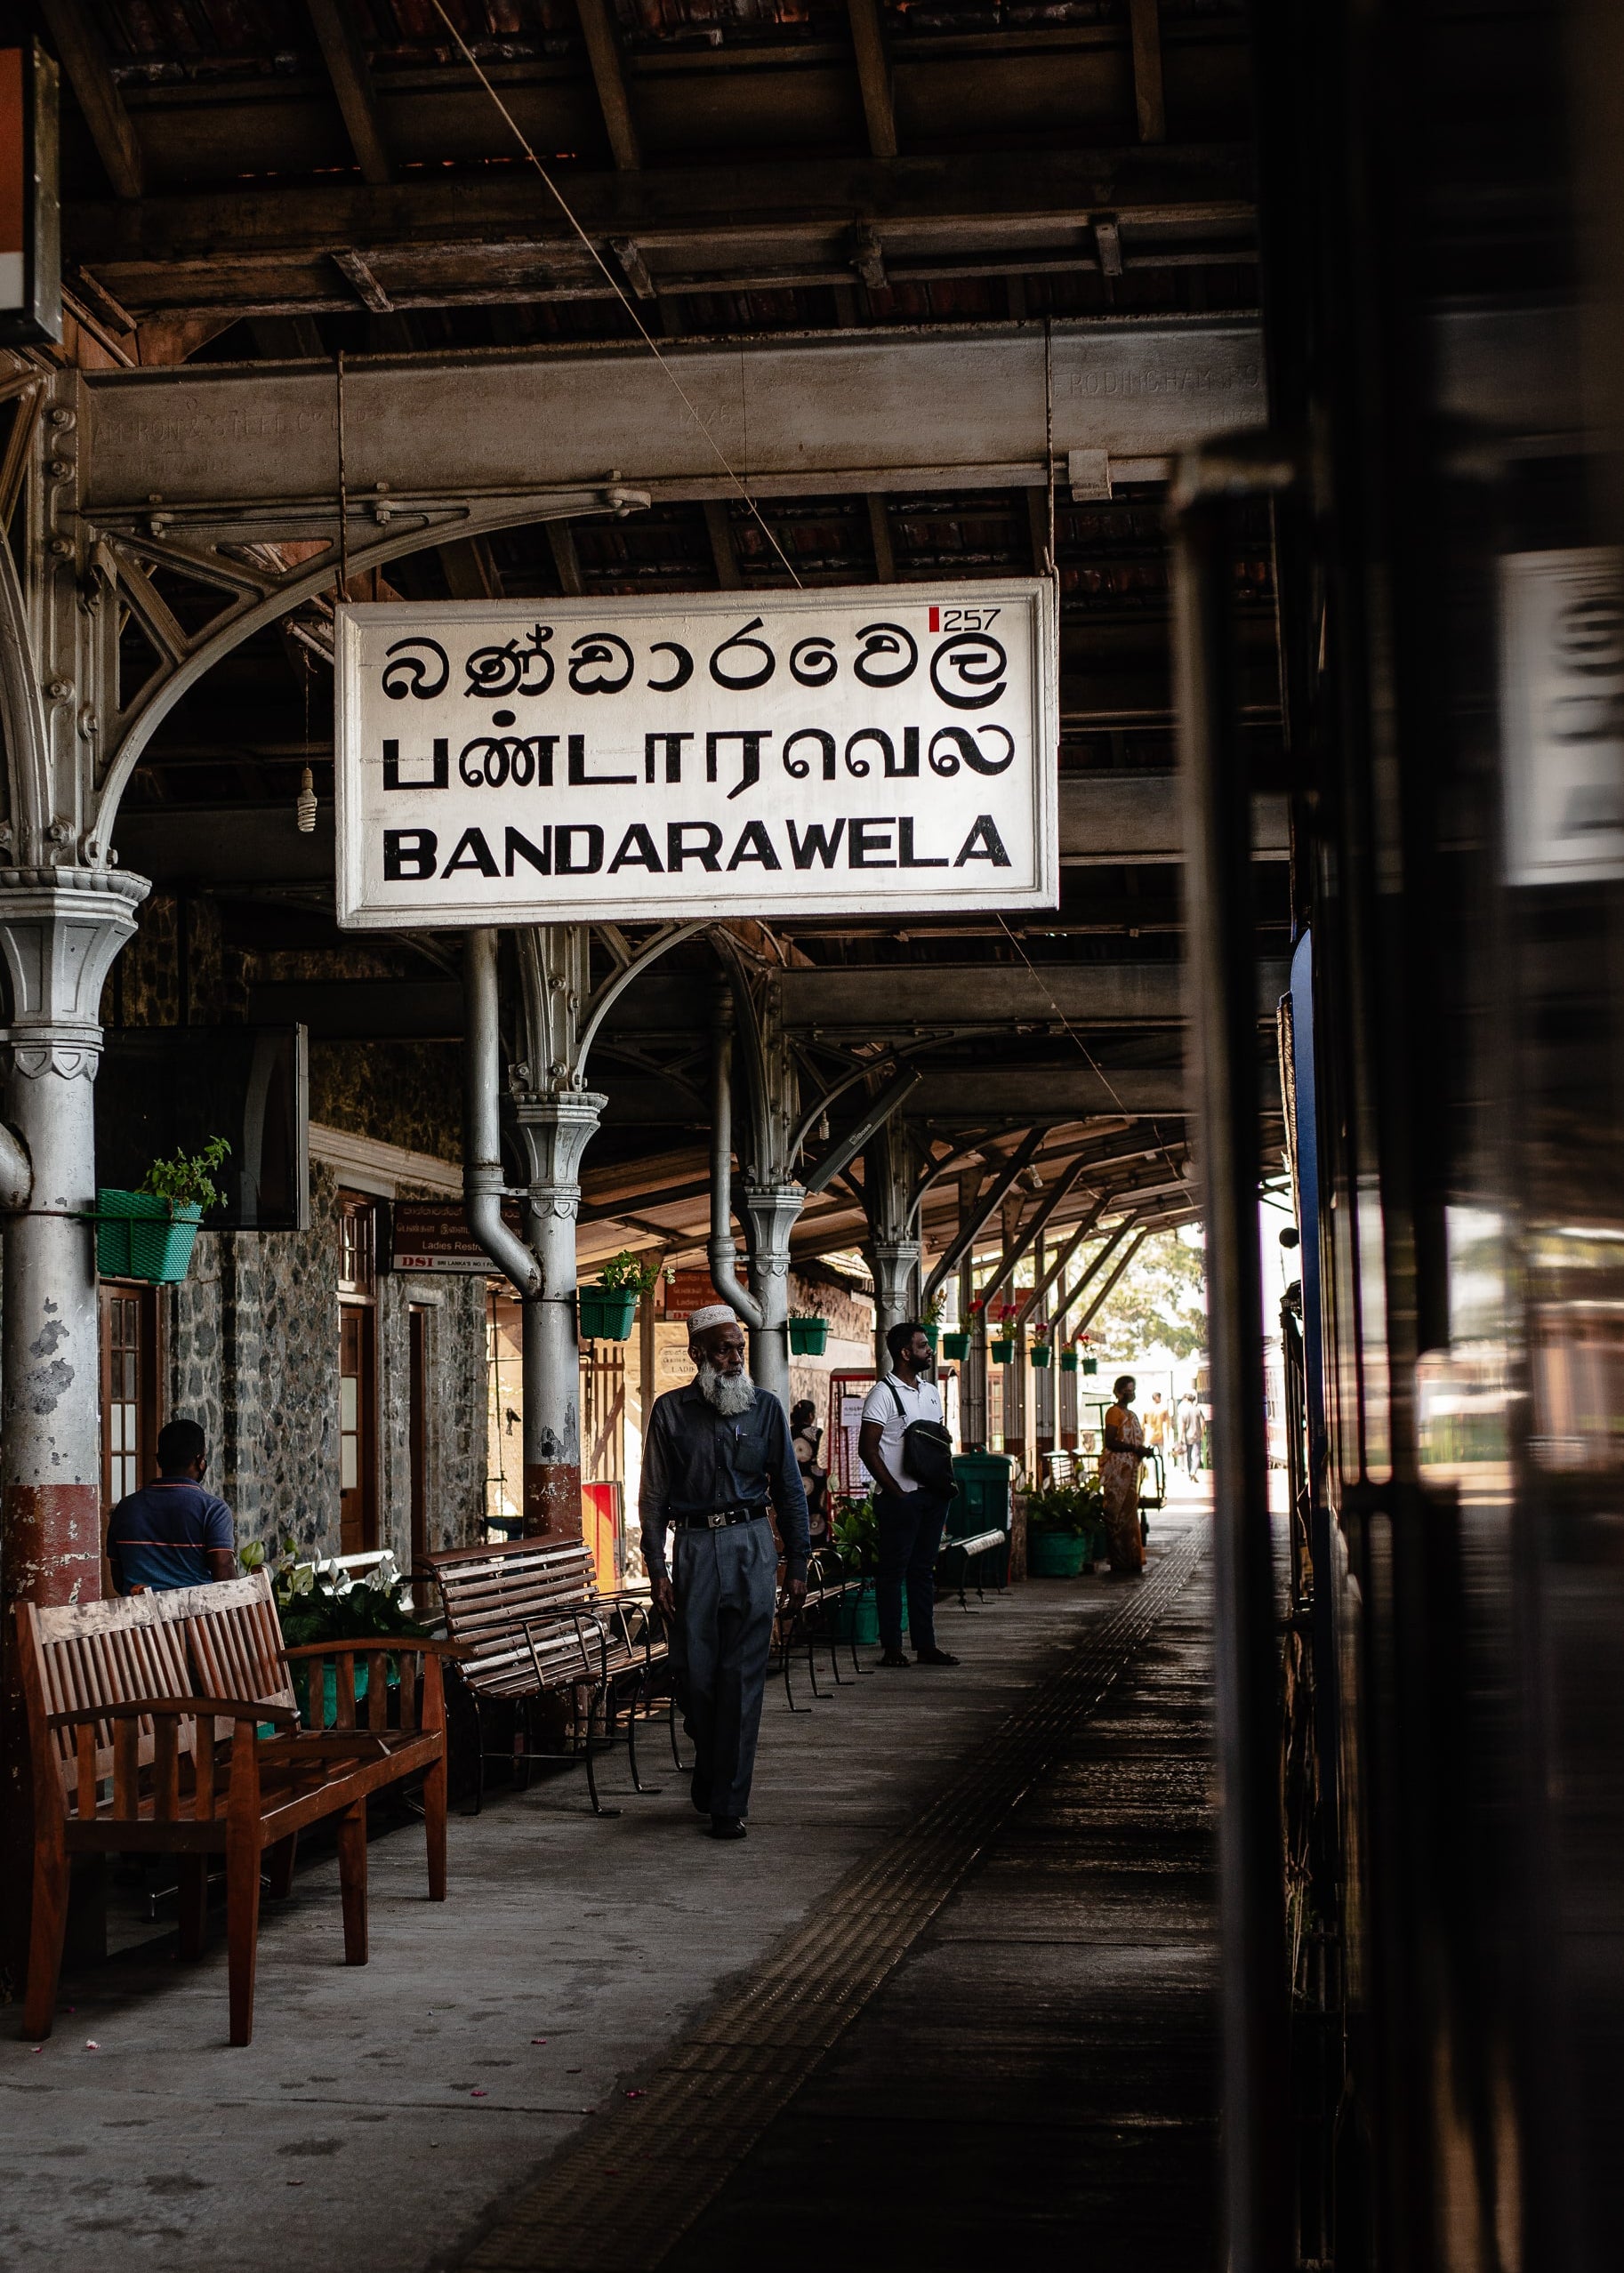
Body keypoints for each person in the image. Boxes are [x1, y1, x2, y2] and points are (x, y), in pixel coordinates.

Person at [639, 1305, 808, 1841]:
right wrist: (657, 1569)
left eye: (740, 1348)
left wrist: (799, 1563)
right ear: (698, 1355)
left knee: (742, 1680)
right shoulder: (669, 1412)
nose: (736, 1358)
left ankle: (727, 1804)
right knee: (694, 1676)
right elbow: (653, 1499)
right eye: (724, 1349)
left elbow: (789, 1489)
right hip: (690, 1548)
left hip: (752, 1546)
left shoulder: (766, 1410)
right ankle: (714, 1766)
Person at [857, 1320, 961, 1671]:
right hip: (901, 1500)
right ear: (905, 1353)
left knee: (923, 1572)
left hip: (933, 1497)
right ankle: (892, 1647)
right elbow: (867, 1449)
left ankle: (926, 1646)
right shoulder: (883, 1394)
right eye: (922, 1345)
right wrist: (895, 1491)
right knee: (892, 1573)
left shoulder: (930, 1391)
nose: (929, 1350)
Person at [106, 1417, 237, 1594]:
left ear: (159, 1460)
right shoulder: (213, 1510)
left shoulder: (125, 1508)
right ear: (200, 1461)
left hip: (141, 1619)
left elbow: (119, 1581)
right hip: (197, 1619)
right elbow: (225, 1580)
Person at [1098, 1375, 1150, 1577]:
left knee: (1129, 1515)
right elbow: (1110, 1441)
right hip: (1118, 1471)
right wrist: (1134, 1447)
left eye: (1133, 1389)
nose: (1131, 1393)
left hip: (1131, 1470)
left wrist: (1141, 1450)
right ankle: (1119, 1561)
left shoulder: (1132, 1414)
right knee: (1117, 1515)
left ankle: (1132, 1559)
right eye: (1128, 1390)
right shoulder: (1114, 1413)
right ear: (1119, 1392)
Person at [791, 1397, 830, 1548]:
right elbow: (825, 1457)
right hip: (816, 1482)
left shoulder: (788, 1432)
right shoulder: (817, 1433)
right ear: (811, 1416)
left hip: (794, 1480)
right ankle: (818, 1549)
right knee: (816, 1513)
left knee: (796, 1513)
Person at [1178, 1391, 1202, 1479]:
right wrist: (1201, 1433)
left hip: (1187, 1436)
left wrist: (1181, 1437)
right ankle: (1193, 1471)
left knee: (1188, 1455)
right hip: (1197, 1435)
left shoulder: (1183, 1411)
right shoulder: (1197, 1410)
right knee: (1196, 1455)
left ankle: (1189, 1472)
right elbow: (1202, 1423)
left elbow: (1182, 1425)